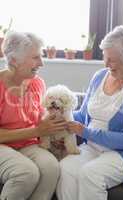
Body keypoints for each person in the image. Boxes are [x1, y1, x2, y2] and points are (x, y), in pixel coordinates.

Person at [56, 25, 123, 200]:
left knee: (90, 174)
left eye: (112, 60)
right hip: (91, 147)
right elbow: (83, 116)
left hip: (121, 153)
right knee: (65, 167)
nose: (106, 64)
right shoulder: (100, 76)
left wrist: (85, 132)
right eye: (105, 58)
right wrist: (63, 117)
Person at [0, 31, 67, 200]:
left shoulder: (38, 83)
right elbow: (38, 129)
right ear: (14, 60)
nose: (42, 63)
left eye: (41, 56)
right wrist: (37, 131)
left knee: (51, 168)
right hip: (3, 145)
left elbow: (40, 119)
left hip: (28, 144)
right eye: (35, 57)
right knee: (26, 172)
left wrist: (56, 134)